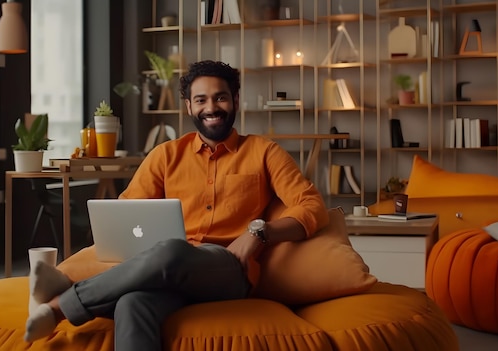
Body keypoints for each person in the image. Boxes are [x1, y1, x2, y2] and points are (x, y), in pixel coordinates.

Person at [24, 60, 329, 349]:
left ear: (235, 99)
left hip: (227, 270)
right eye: (200, 100)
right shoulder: (166, 155)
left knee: (172, 251)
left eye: (220, 97)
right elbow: (126, 211)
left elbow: (311, 205)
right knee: (132, 303)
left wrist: (258, 233)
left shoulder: (265, 152)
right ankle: (69, 288)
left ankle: (58, 305)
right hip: (164, 273)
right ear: (189, 106)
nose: (211, 108)